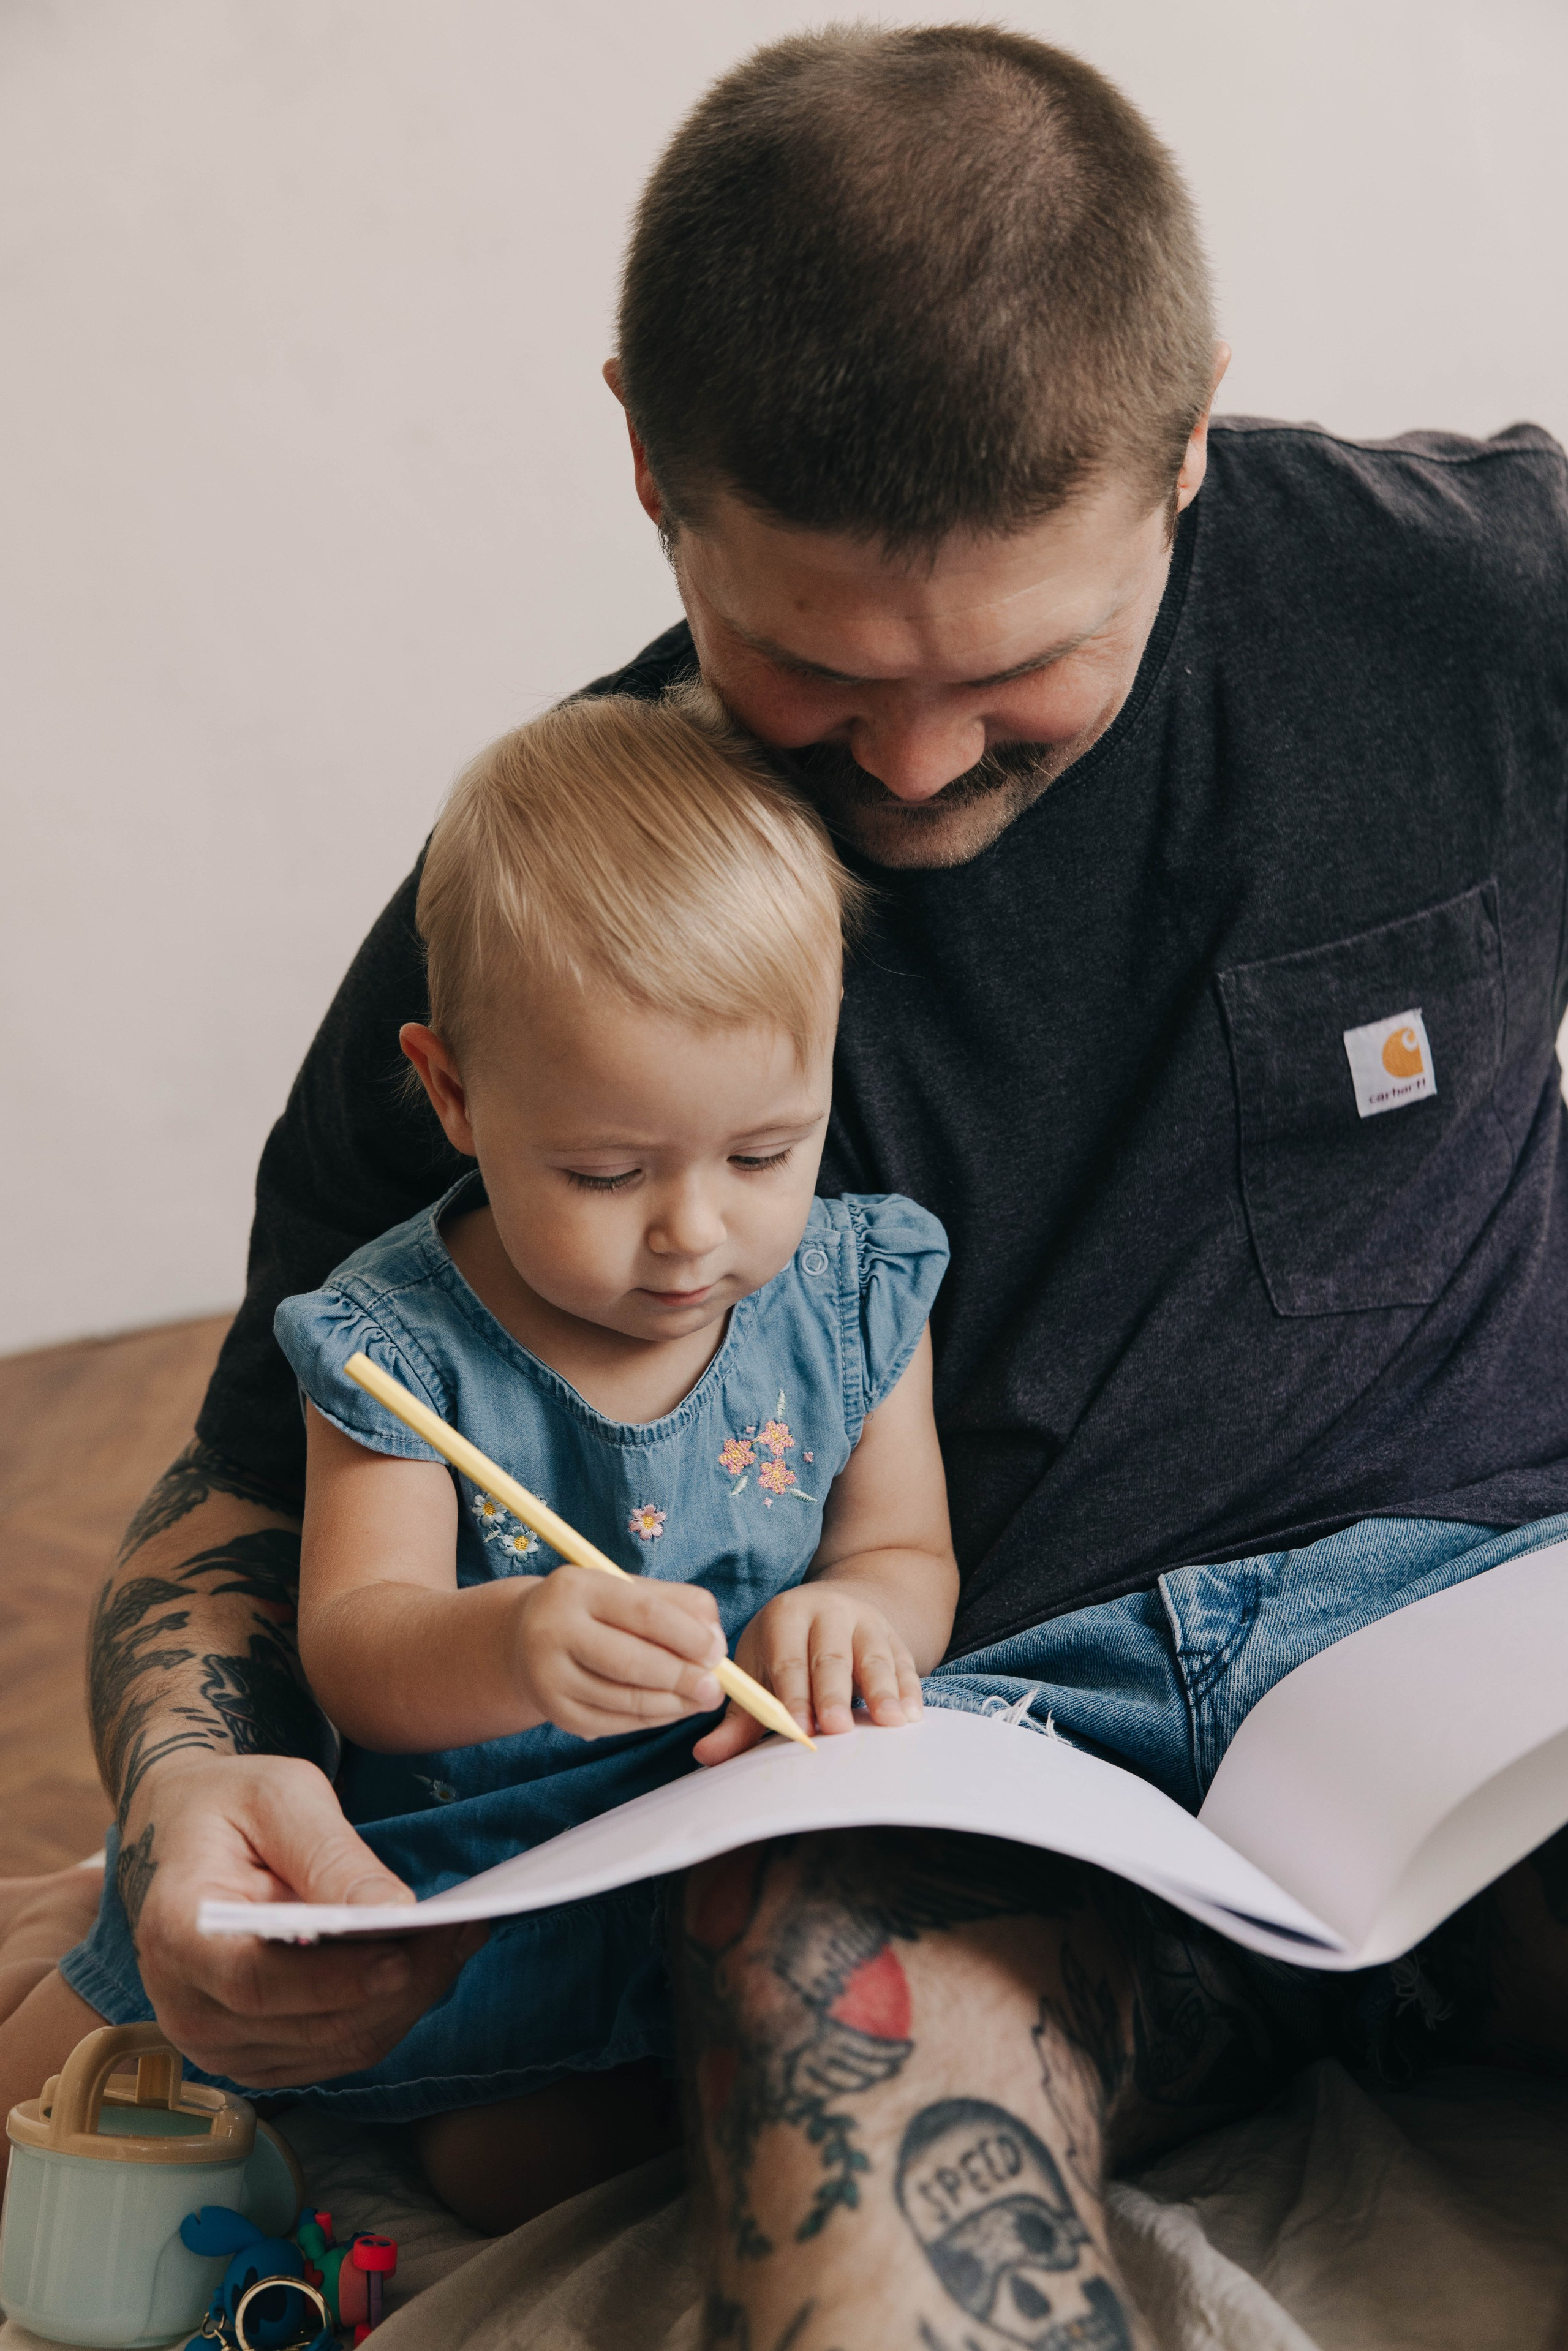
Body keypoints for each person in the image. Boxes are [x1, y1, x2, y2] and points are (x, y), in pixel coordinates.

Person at [3, 20, 1566, 2345]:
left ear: (1186, 441)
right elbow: (255, 1482)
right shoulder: (560, 941)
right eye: (809, 669)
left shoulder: (1473, 610)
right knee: (808, 1991)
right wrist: (191, 1776)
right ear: (646, 456)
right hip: (989, 1799)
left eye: (1025, 668)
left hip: (1489, 1674)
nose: (915, 765)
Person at [3, 691, 959, 2230]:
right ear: (451, 1092)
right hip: (401, 1872)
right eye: (602, 1171)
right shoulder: (399, 1338)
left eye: (763, 1152)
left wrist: (857, 1620)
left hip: (644, 1885)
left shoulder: (854, 1295)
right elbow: (360, 1647)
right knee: (59, 2098)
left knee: (552, 2185)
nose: (693, 1230)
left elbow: (903, 1554)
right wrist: (514, 1638)